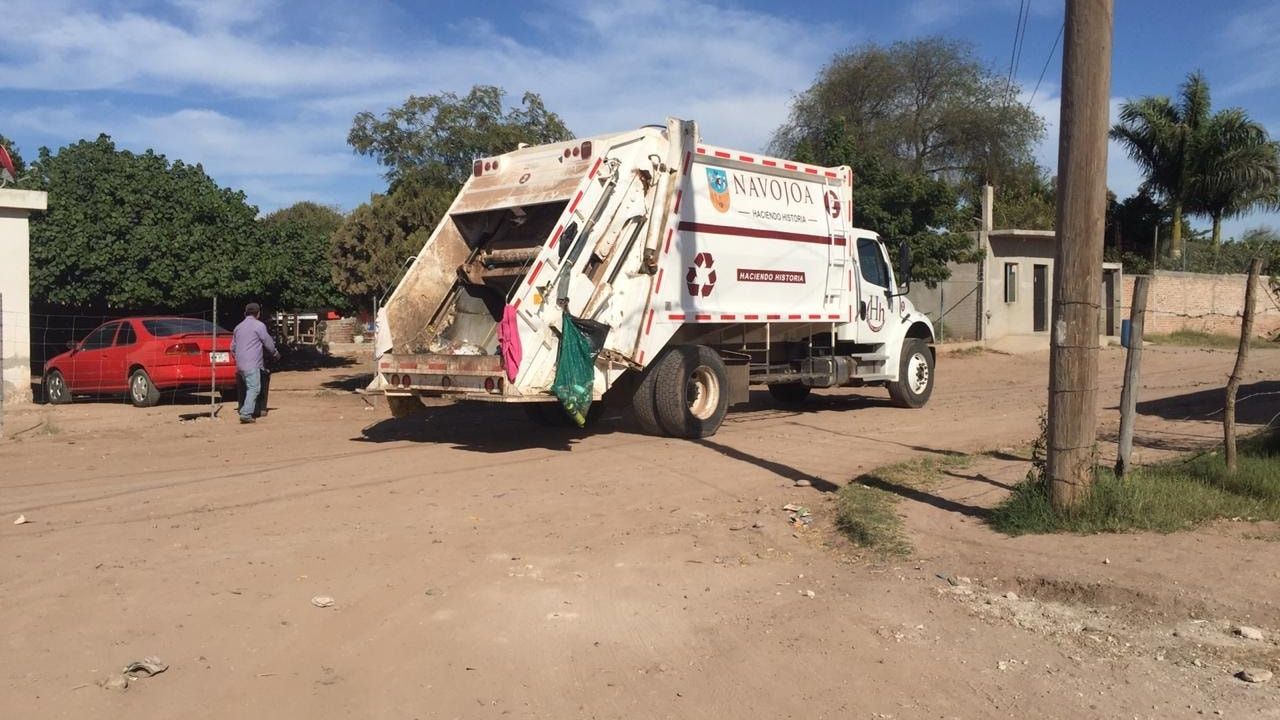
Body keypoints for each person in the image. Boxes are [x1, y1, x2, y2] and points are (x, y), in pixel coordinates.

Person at [230, 302, 280, 424]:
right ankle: (246, 413)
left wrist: (238, 358)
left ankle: (245, 408)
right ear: (258, 314)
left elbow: (232, 347)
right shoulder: (259, 326)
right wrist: (275, 353)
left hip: (240, 365)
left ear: (245, 313)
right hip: (252, 364)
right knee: (254, 388)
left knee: (246, 388)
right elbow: (268, 342)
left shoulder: (238, 327)